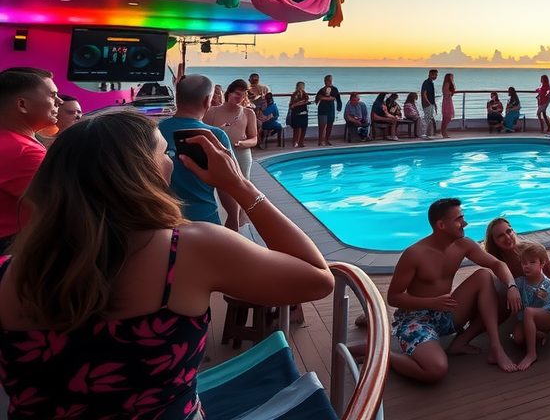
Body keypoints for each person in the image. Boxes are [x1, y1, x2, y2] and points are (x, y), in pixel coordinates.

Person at [0, 112, 333, 420]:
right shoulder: (190, 250)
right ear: (139, 174)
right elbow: (317, 278)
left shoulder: (7, 271)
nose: (171, 160)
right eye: (164, 152)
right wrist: (239, 185)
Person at [385, 198, 520, 381]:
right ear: (441, 225)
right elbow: (393, 297)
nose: (465, 223)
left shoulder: (463, 245)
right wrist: (431, 302)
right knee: (436, 370)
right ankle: (384, 356)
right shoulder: (414, 254)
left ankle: (494, 348)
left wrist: (512, 286)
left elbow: (497, 264)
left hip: (446, 311)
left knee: (484, 277)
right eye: (459, 219)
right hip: (416, 319)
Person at [158, 75, 237, 226]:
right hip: (205, 221)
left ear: (177, 98)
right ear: (207, 101)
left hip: (164, 221)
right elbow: (228, 184)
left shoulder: (154, 131)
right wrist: (233, 218)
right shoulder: (215, 136)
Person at [0, 68, 59, 253]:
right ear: (22, 104)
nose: (60, 101)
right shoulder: (22, 151)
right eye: (52, 95)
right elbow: (65, 205)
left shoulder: (13, 142)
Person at [204, 79, 259, 231]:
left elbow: (254, 138)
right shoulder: (212, 111)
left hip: (241, 154)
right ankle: (220, 222)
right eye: (237, 94)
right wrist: (218, 134)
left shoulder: (248, 113)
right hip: (218, 154)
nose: (240, 98)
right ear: (229, 93)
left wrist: (242, 144)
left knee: (243, 188)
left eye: (243, 95)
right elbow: (203, 133)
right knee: (219, 188)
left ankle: (239, 223)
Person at [510, 241, 550, 371]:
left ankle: (531, 354)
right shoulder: (520, 282)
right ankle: (539, 334)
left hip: (547, 316)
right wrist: (511, 288)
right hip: (528, 318)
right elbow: (510, 286)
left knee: (529, 311)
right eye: (524, 263)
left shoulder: (546, 283)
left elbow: (544, 298)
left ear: (541, 264)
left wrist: (538, 292)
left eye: (532, 262)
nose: (527, 266)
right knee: (517, 338)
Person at [483, 217, 550, 281]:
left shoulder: (533, 250)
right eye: (501, 236)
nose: (507, 237)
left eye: (509, 231)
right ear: (493, 241)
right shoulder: (494, 262)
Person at [314, 74, 343, 146]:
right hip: (322, 109)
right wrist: (328, 98)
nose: (328, 82)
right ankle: (320, 141)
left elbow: (338, 98)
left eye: (330, 80)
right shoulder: (321, 90)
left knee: (330, 125)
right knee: (322, 126)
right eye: (327, 80)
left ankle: (327, 140)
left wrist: (339, 107)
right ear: (324, 81)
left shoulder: (335, 89)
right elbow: (317, 99)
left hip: (331, 109)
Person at [288, 81, 311, 148]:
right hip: (296, 113)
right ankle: (295, 142)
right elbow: (292, 105)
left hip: (304, 113)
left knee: (304, 128)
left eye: (302, 86)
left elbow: (306, 100)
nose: (301, 88)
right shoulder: (294, 95)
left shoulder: (305, 94)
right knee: (297, 128)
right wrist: (300, 103)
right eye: (300, 86)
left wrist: (305, 102)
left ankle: (301, 142)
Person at [420, 69, 439, 139]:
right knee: (427, 119)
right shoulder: (426, 82)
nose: (436, 76)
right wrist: (428, 103)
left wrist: (434, 104)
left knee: (429, 118)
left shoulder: (431, 83)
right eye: (435, 75)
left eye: (436, 75)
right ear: (430, 75)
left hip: (431, 103)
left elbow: (431, 95)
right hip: (427, 104)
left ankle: (428, 134)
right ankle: (425, 134)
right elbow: (424, 94)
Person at [439, 73, 457, 138]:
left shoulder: (447, 84)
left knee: (446, 117)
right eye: (451, 77)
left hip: (448, 100)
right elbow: (447, 92)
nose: (452, 78)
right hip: (447, 101)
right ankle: (443, 132)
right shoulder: (447, 84)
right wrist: (452, 91)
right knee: (447, 117)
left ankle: (443, 132)